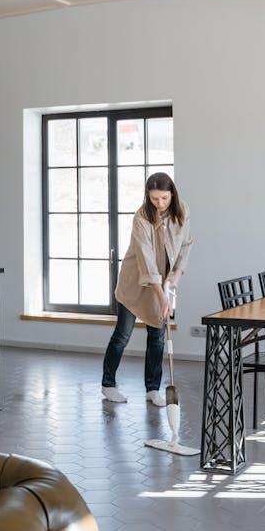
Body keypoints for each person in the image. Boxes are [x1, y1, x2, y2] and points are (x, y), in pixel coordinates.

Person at [102, 172, 192, 406]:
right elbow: (146, 259)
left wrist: (175, 278)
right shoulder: (141, 218)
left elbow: (186, 245)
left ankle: (153, 390)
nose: (159, 204)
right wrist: (163, 297)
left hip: (161, 283)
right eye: (154, 199)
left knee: (158, 337)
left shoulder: (182, 210)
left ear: (172, 193)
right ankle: (108, 385)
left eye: (164, 198)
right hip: (136, 282)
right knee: (122, 335)